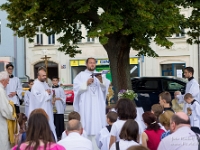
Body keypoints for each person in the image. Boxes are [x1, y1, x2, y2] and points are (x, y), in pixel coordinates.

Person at [73, 57, 109, 147]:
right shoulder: (81, 75)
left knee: (98, 121)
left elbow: (105, 88)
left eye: (94, 63)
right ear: (86, 64)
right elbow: (76, 89)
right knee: (86, 121)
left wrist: (101, 81)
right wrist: (86, 83)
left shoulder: (100, 75)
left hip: (97, 104)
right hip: (86, 104)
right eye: (90, 63)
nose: (92, 64)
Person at [28, 67, 57, 141]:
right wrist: (46, 93)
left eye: (45, 75)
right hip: (40, 109)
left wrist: (49, 93)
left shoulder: (45, 84)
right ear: (38, 76)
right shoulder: (35, 86)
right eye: (43, 75)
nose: (45, 77)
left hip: (48, 109)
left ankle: (51, 140)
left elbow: (49, 94)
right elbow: (37, 98)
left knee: (50, 124)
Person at [0, 71, 14, 150]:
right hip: (2, 121)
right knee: (3, 142)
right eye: (7, 81)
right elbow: (5, 109)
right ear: (2, 81)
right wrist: (13, 114)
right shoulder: (1, 91)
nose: (8, 83)